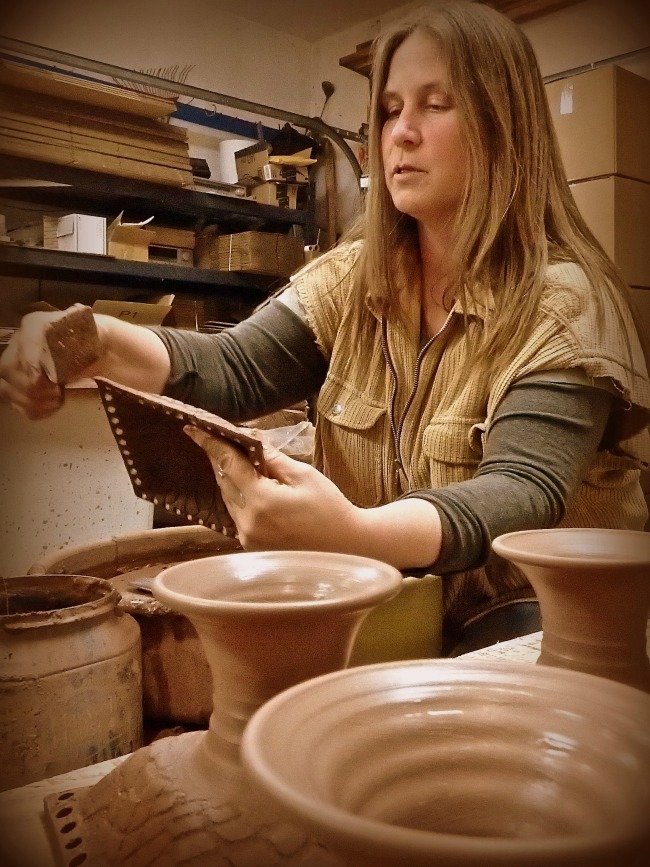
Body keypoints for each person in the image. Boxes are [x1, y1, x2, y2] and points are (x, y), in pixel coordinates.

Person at [1, 0, 649, 654]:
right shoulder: (358, 277)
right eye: (392, 108)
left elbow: (520, 493)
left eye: (436, 103)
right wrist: (97, 340)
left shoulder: (562, 301)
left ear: (505, 125)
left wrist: (353, 533)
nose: (402, 132)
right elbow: (232, 368)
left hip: (542, 624)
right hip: (403, 609)